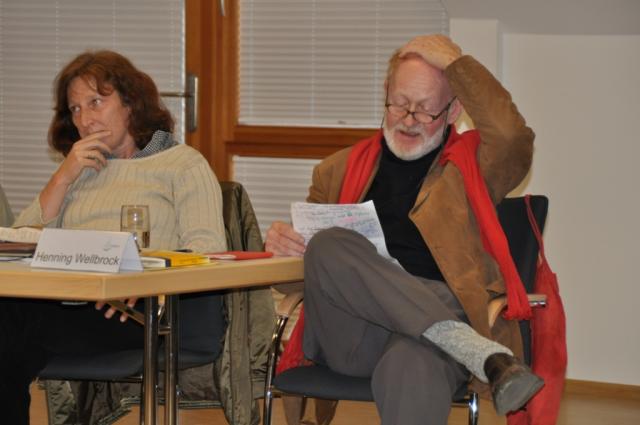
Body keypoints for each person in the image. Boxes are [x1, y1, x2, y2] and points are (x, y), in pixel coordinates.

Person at [265, 34, 543, 425]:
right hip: (354, 334)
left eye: (425, 109)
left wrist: (458, 65)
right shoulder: (336, 170)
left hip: (428, 333)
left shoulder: (475, 167)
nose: (409, 119)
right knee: (329, 246)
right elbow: (311, 278)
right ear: (385, 93)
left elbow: (513, 137)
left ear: (453, 109)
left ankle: (449, 338)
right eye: (399, 103)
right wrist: (285, 250)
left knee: (415, 365)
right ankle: (473, 348)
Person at [0, 50, 226, 424]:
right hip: (65, 299)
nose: (85, 120)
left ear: (131, 103)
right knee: (8, 338)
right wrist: (63, 177)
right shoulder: (81, 169)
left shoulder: (182, 164)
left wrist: (144, 277)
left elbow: (208, 250)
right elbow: (19, 243)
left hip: (138, 311)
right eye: (75, 109)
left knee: (9, 330)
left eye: (96, 102)